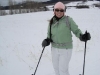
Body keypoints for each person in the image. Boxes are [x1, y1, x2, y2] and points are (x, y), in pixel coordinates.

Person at [42, 2, 91, 75]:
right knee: (56, 68)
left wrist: (82, 36)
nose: (59, 12)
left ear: (64, 11)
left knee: (63, 70)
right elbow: (49, 35)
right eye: (57, 10)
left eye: (61, 10)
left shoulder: (68, 20)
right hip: (54, 49)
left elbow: (76, 31)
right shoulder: (51, 22)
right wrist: (46, 40)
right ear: (54, 10)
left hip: (66, 49)